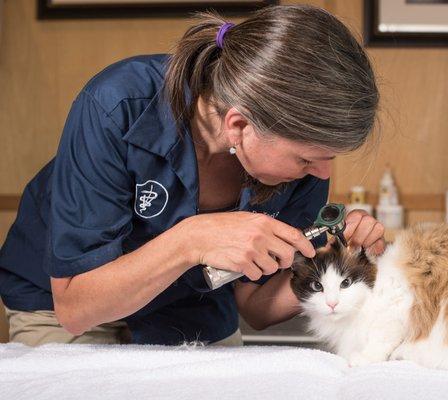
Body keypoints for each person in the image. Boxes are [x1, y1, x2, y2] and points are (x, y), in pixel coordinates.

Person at [0, 4, 384, 346]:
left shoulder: (303, 164)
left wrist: (347, 269)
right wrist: (192, 240)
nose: (323, 173)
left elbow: (256, 307)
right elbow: (76, 308)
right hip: (67, 310)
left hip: (190, 312)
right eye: (306, 159)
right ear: (239, 126)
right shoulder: (116, 105)